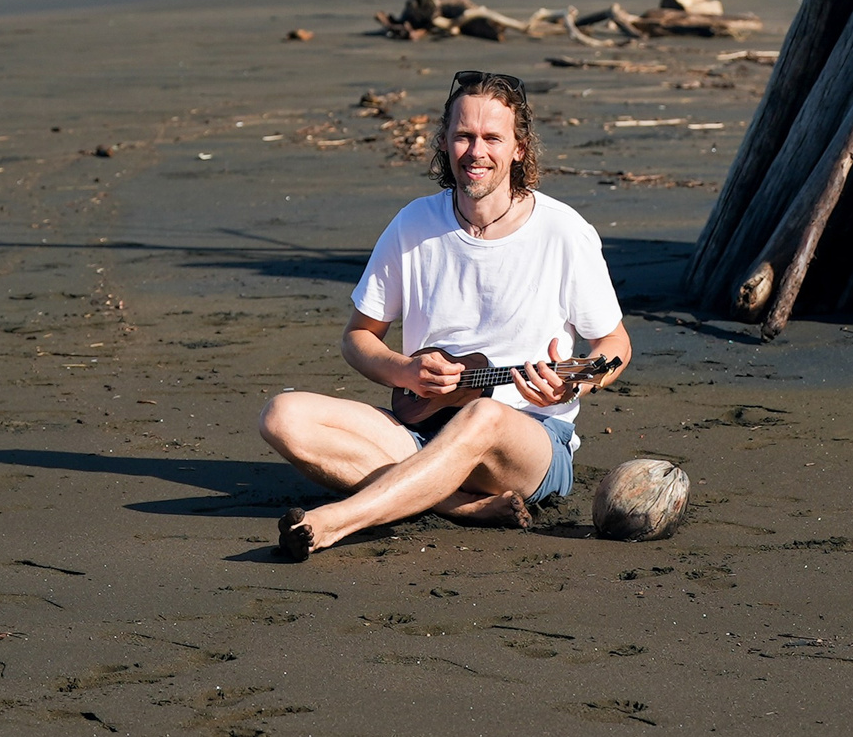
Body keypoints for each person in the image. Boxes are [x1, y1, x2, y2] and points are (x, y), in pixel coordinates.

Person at [258, 70, 630, 559]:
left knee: (482, 414)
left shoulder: (563, 233)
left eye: (492, 138)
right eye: (464, 136)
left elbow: (615, 347)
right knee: (282, 416)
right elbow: (357, 338)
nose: (477, 152)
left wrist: (575, 385)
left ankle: (334, 522)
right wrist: (405, 369)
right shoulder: (413, 223)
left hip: (529, 441)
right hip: (420, 424)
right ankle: (455, 503)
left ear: (519, 148)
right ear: (445, 141)